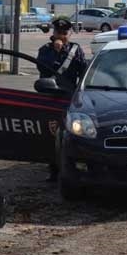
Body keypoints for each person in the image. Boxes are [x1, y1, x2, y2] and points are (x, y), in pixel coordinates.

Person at [36, 18, 87, 182]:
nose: (62, 36)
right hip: (49, 97)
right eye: (59, 32)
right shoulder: (44, 50)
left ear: (69, 34)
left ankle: (70, 166)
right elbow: (43, 68)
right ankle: (53, 169)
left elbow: (83, 71)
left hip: (68, 97)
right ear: (54, 33)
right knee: (50, 134)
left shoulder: (76, 50)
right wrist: (56, 53)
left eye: (65, 33)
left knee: (68, 134)